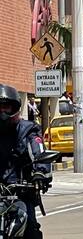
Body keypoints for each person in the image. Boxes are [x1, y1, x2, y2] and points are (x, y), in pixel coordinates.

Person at [0, 84, 52, 239]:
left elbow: (38, 150)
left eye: (6, 107)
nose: (2, 112)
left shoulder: (27, 130)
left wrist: (40, 172)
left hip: (21, 192)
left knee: (30, 227)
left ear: (15, 108)